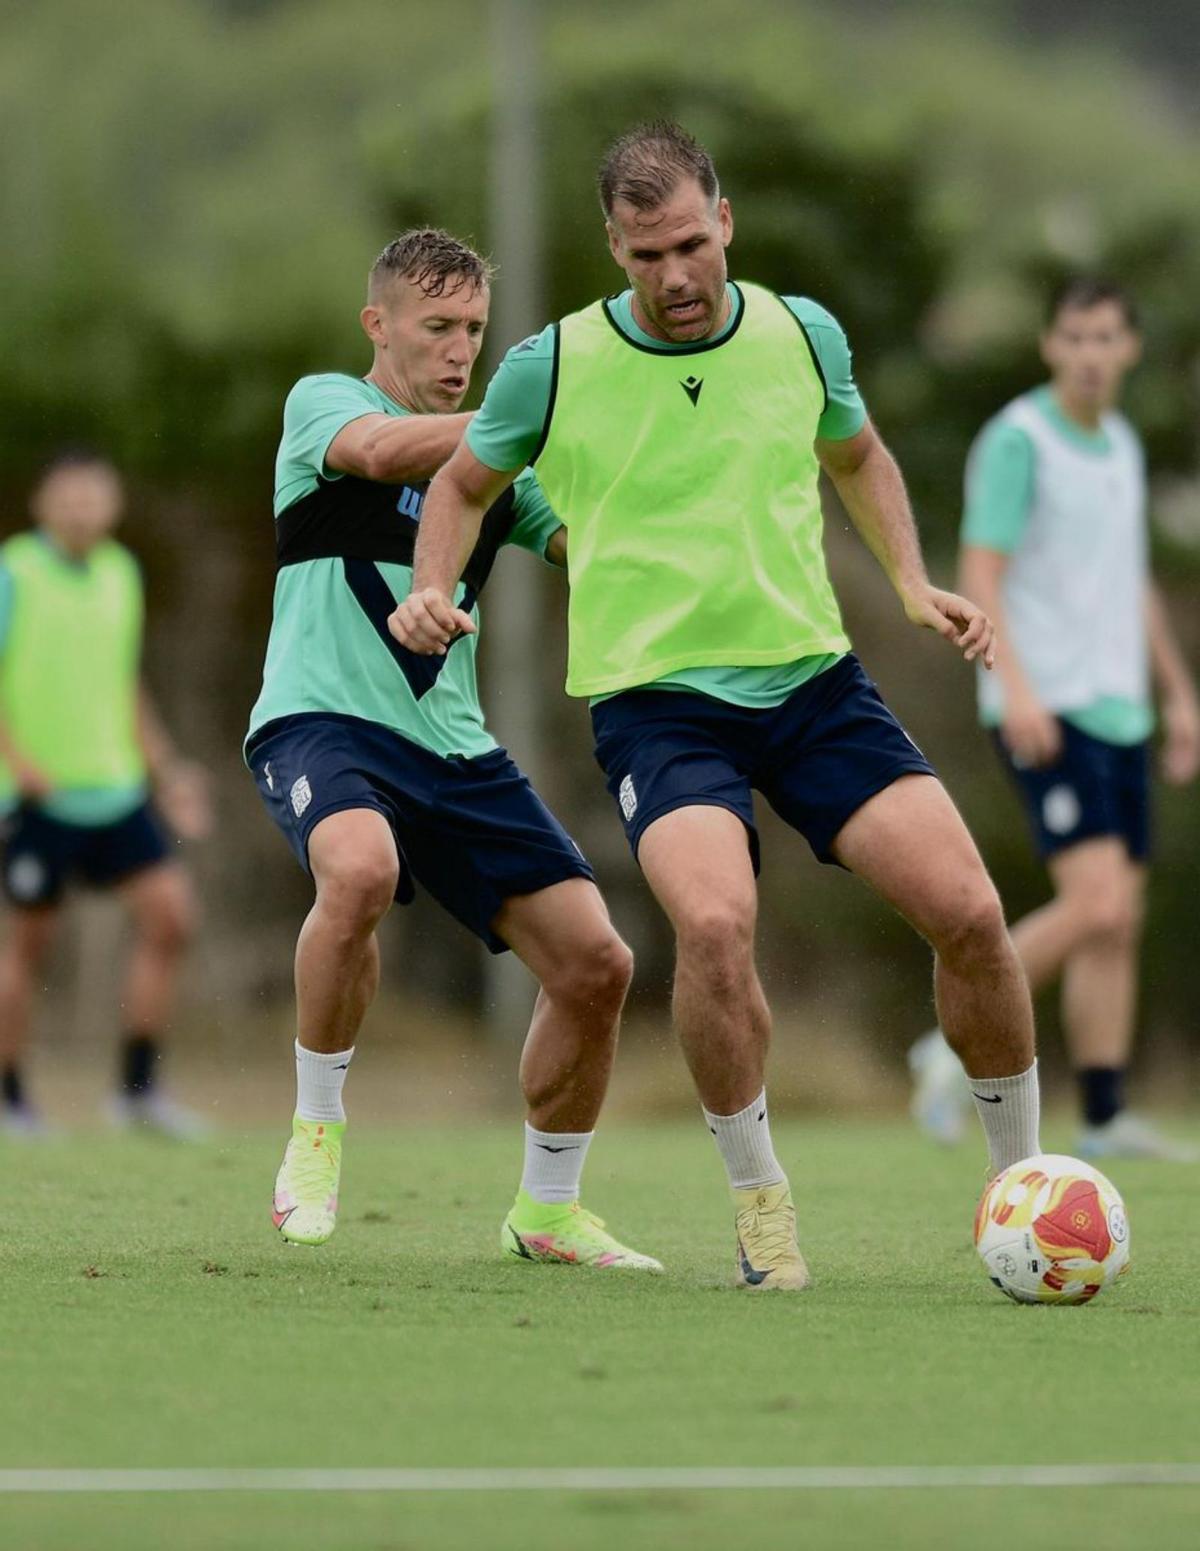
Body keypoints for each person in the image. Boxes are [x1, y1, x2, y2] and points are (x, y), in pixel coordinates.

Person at [392, 122, 1041, 1292]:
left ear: (725, 221)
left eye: (691, 243)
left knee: (974, 916)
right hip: (658, 707)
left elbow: (858, 453)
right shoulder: (553, 363)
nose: (676, 276)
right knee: (714, 927)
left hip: (814, 685)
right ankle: (759, 1205)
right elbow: (461, 483)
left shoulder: (802, 331)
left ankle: (1025, 1190)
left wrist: (909, 582)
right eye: (646, 256)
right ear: (614, 249)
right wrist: (433, 587)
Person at [245, 227, 659, 1269]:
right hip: (320, 721)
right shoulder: (324, 408)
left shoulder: (496, 476)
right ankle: (317, 1132)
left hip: (453, 749)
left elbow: (585, 541)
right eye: (437, 327)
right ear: (377, 326)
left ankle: (548, 1210)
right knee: (361, 870)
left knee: (598, 964)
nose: (459, 347)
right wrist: (525, 419)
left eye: (474, 329)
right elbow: (384, 457)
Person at [909, 278, 1200, 1160]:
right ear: (1050, 345)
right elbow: (981, 568)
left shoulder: (1116, 443)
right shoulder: (1019, 439)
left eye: (1105, 337)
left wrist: (1178, 693)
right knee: (1095, 900)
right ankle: (943, 1044)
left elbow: (1130, 578)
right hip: (1047, 702)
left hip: (1120, 709)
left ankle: (1105, 1115)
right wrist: (1018, 686)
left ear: (1129, 350)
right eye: (1073, 336)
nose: (1088, 353)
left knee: (1120, 917)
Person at [0, 449, 209, 1137]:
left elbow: (123, 684)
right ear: (42, 503)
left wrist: (166, 769)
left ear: (113, 505)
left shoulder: (122, 573)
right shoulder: (15, 571)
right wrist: (17, 758)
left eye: (96, 495)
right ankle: (10, 1098)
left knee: (172, 919)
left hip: (115, 790)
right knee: (27, 944)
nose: (83, 507)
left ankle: (137, 1092)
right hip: (38, 797)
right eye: (70, 495)